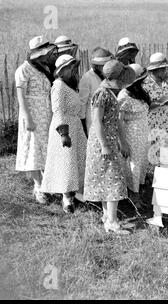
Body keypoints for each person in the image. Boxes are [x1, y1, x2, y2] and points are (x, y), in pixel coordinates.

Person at [83, 59, 136, 235]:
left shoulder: (112, 92)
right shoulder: (102, 93)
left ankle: (107, 217)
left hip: (111, 140)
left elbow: (117, 122)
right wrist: (105, 145)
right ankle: (112, 222)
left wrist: (123, 142)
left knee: (108, 179)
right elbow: (97, 121)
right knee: (113, 180)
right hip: (102, 142)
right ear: (117, 77)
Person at [40, 54, 87, 214]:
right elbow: (58, 110)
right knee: (66, 162)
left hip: (75, 125)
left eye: (74, 68)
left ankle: (76, 192)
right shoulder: (58, 86)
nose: (73, 71)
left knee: (78, 159)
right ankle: (66, 198)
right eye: (70, 68)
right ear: (62, 70)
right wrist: (64, 133)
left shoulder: (69, 85)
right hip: (65, 127)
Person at [15, 36, 57, 204]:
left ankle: (47, 183)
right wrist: (27, 118)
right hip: (32, 113)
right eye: (46, 53)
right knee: (33, 148)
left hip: (46, 113)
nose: (48, 56)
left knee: (45, 147)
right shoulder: (23, 70)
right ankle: (38, 186)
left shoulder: (44, 69)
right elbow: (21, 97)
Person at [117, 64, 150, 208]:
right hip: (132, 134)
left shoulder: (140, 92)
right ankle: (132, 196)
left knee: (141, 162)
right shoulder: (124, 95)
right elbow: (118, 121)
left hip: (143, 133)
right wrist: (122, 142)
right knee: (133, 165)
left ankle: (137, 192)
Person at [141, 52, 168, 172]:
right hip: (153, 121)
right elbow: (142, 106)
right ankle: (153, 175)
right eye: (162, 69)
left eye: (166, 69)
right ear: (154, 71)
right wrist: (157, 103)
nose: (165, 71)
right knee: (154, 148)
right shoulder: (144, 84)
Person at [78, 47, 113, 136]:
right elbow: (82, 103)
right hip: (93, 123)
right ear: (96, 65)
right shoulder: (87, 78)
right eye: (104, 65)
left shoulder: (108, 77)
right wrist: (83, 128)